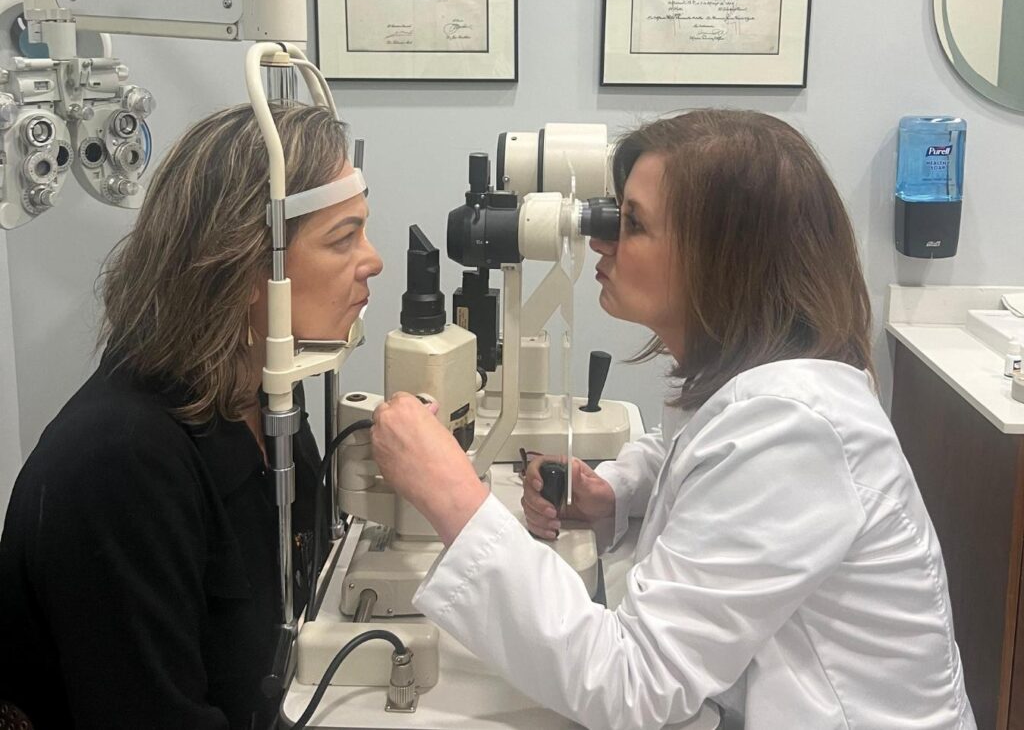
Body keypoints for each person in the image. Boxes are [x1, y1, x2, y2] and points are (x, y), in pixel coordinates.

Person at [370, 110, 977, 729]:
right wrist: (618, 497)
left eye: (632, 223)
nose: (601, 240)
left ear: (723, 259)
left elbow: (634, 688)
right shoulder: (768, 394)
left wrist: (450, 494)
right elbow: (691, 454)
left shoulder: (793, 430)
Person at [0, 102, 383, 729]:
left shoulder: (260, 398)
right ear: (242, 264)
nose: (373, 260)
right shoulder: (120, 464)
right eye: (343, 238)